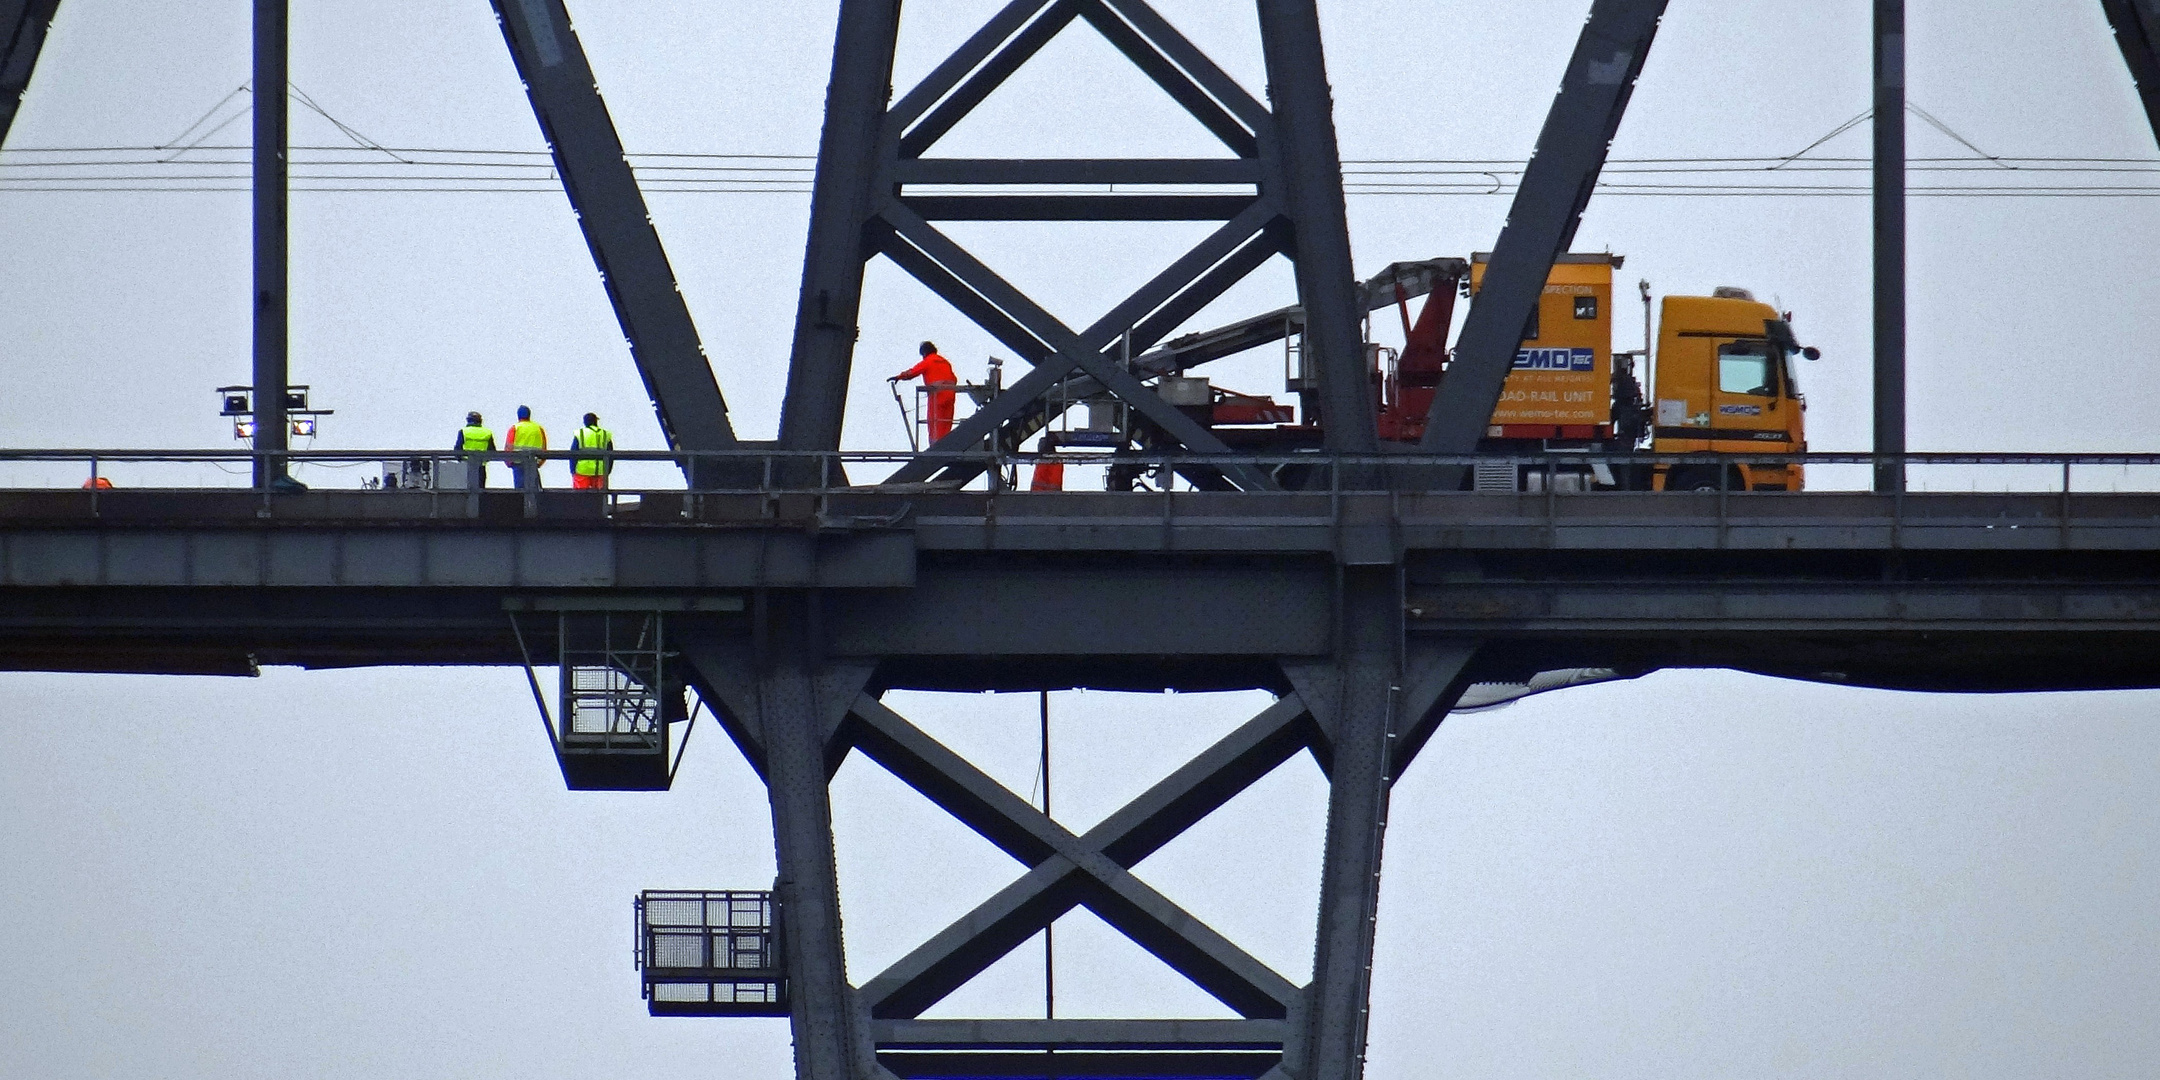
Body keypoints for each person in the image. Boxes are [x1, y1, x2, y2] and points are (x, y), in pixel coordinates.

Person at [891, 340, 958, 441]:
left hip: (937, 396)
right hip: (950, 395)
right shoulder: (945, 362)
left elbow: (912, 372)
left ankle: (936, 448)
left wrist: (899, 377)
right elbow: (954, 379)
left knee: (934, 423)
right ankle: (946, 444)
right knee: (946, 422)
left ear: (924, 353)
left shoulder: (928, 361)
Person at [505, 405, 547, 489]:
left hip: (518, 464)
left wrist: (508, 462)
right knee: (535, 490)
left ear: (518, 416)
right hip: (533, 463)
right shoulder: (538, 428)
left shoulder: (515, 428)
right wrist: (540, 463)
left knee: (520, 491)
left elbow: (508, 447)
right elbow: (544, 448)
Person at [569, 412, 613, 490]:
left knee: (580, 497)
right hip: (601, 470)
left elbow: (573, 453)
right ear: (596, 421)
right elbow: (611, 455)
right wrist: (607, 471)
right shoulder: (605, 434)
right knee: (599, 498)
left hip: (582, 470)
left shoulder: (580, 433)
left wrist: (572, 470)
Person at [455, 411, 495, 488]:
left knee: (466, 490)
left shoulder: (464, 431)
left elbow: (457, 449)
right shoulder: (487, 432)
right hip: (481, 465)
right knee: (480, 490)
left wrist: (459, 459)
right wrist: (485, 459)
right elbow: (492, 451)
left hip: (467, 465)